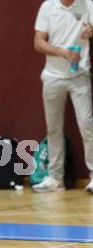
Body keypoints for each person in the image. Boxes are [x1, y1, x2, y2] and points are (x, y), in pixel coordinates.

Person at [33, 0, 93, 193]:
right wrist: (62, 52)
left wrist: (91, 32)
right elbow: (38, 42)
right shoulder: (48, 7)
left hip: (80, 75)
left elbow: (91, 29)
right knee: (54, 128)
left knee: (87, 125)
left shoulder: (89, 5)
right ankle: (55, 179)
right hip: (52, 76)